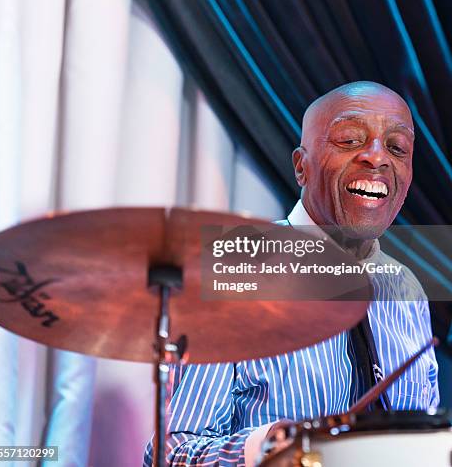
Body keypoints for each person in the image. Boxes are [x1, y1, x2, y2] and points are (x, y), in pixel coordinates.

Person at [143, 81, 439, 466]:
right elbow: (170, 455)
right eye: (350, 140)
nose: (377, 158)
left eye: (397, 148)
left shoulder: (406, 290)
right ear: (301, 166)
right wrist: (272, 448)